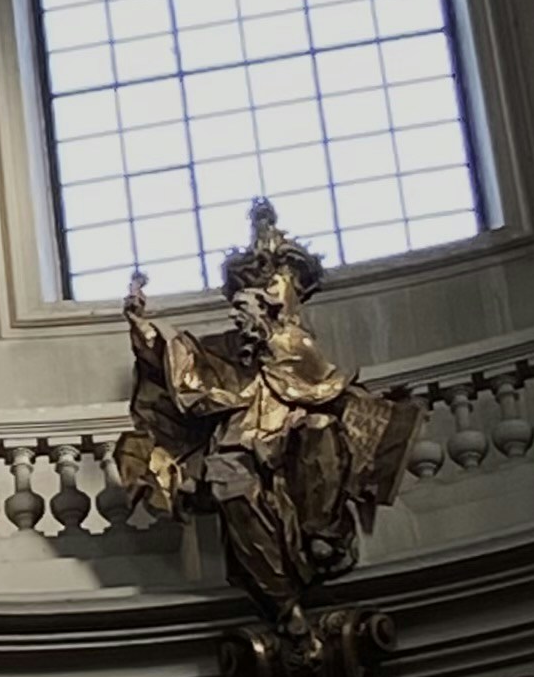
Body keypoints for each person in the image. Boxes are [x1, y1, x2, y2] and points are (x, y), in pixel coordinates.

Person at [117, 201, 415, 627]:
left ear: (267, 308)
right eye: (236, 310)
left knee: (319, 429)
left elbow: (323, 389)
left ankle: (320, 533)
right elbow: (172, 359)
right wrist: (141, 323)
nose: (237, 318)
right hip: (240, 445)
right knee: (228, 484)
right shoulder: (225, 353)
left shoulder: (296, 347)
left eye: (246, 309)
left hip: (289, 435)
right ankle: (282, 605)